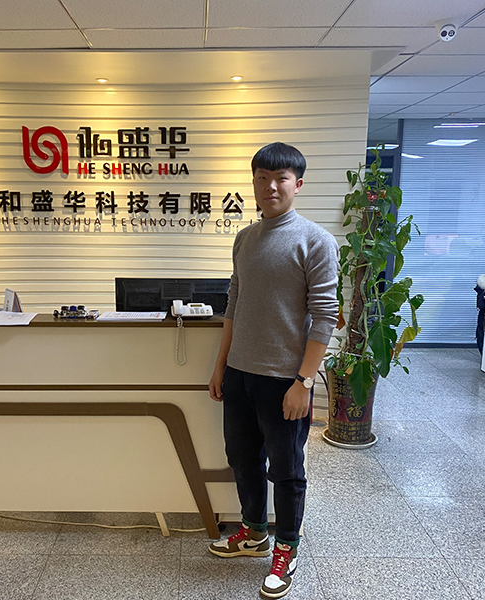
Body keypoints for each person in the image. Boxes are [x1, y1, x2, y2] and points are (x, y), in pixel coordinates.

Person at [208, 142, 339, 598]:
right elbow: (234, 303)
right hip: (240, 374)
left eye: (280, 178)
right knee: (242, 459)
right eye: (262, 178)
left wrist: (304, 382)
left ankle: (286, 548)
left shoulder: (316, 240)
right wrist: (221, 366)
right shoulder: (245, 238)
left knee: (286, 470)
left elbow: (325, 316)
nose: (270, 186)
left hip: (285, 380)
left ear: (297, 184)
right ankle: (253, 532)